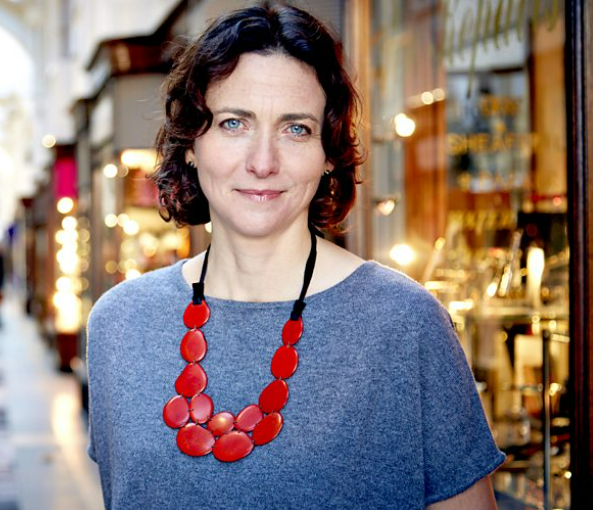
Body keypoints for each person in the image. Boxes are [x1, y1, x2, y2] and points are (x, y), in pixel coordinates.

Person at [85, 3, 504, 509]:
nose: (263, 162)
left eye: (296, 129)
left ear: (329, 154)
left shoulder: (404, 324)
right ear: (191, 142)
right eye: (234, 123)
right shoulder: (119, 323)